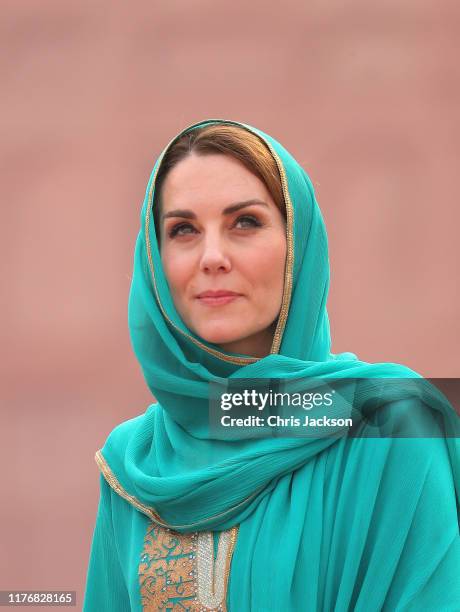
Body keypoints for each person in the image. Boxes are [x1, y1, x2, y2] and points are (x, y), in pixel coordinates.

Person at [83, 119, 460, 611]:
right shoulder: (134, 463)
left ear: (298, 245)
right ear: (154, 260)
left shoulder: (386, 426)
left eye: (245, 222)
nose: (212, 257)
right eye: (183, 230)